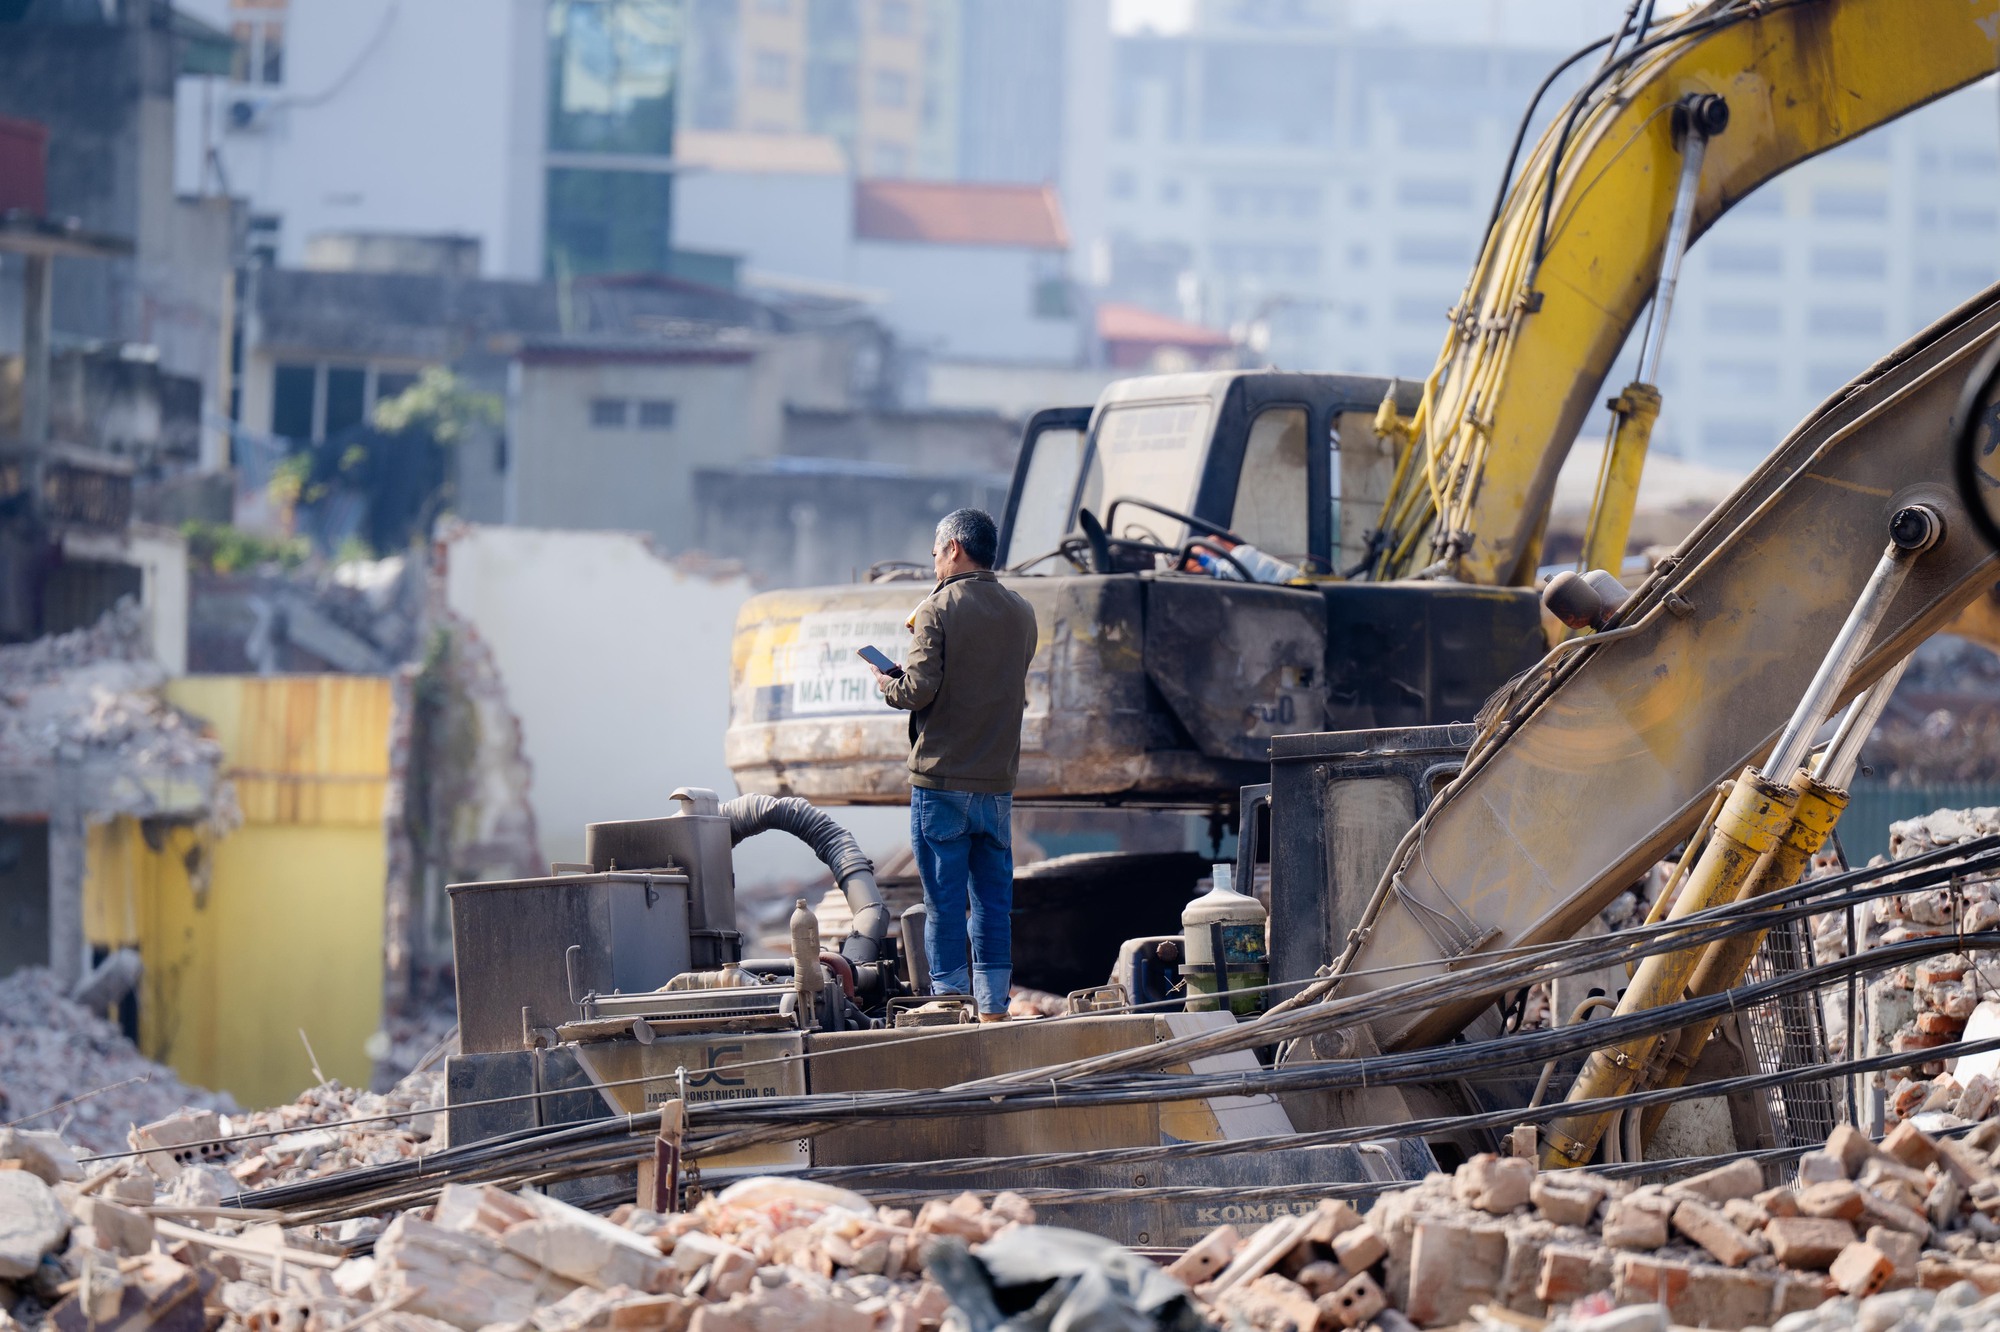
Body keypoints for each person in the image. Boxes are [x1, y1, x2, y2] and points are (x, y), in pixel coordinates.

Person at [870, 508, 1037, 1022]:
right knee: (992, 902)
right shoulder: (1022, 612)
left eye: (937, 552)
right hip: (997, 783)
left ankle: (948, 1005)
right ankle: (992, 1010)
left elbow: (918, 689)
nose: (935, 562)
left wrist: (887, 683)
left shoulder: (937, 610)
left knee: (943, 904)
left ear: (955, 549)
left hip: (942, 782)